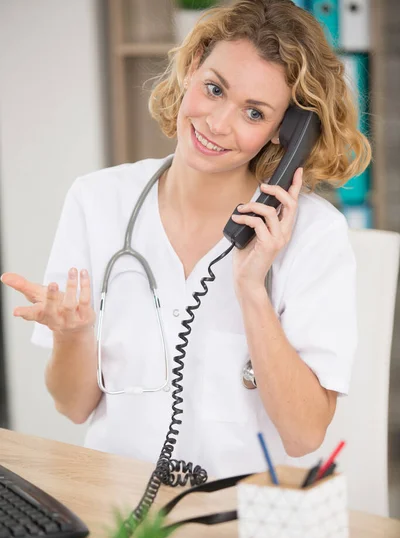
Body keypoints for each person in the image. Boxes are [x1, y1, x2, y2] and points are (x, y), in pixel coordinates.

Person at [1, 0, 370, 479]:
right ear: (192, 68)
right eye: (214, 89)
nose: (217, 123)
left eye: (254, 113)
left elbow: (303, 436)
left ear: (287, 132)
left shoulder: (314, 234)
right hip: (116, 503)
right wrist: (73, 335)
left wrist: (253, 291)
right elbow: (73, 408)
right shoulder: (96, 201)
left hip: (240, 516)